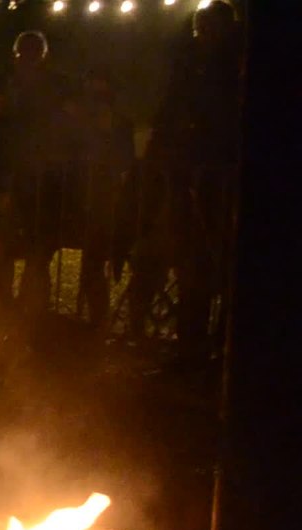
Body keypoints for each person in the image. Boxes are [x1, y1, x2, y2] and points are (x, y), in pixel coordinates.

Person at [142, 0, 241, 364]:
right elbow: (170, 111)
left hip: (220, 183)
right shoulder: (190, 68)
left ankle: (218, 347)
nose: (202, 36)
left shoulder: (235, 69)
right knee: (188, 265)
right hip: (188, 179)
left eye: (208, 29)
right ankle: (190, 344)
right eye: (199, 28)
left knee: (218, 267)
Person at [2, 31, 76, 319]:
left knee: (38, 257)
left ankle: (32, 315)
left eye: (34, 55)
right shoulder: (6, 85)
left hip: (46, 187)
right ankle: (4, 311)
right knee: (5, 253)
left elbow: (68, 127)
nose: (29, 61)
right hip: (15, 183)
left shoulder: (58, 88)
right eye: (25, 55)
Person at [75, 68, 135, 332]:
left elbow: (125, 160)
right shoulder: (80, 123)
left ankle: (98, 322)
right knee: (91, 267)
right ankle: (92, 322)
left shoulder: (121, 125)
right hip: (79, 201)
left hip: (106, 204)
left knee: (94, 265)